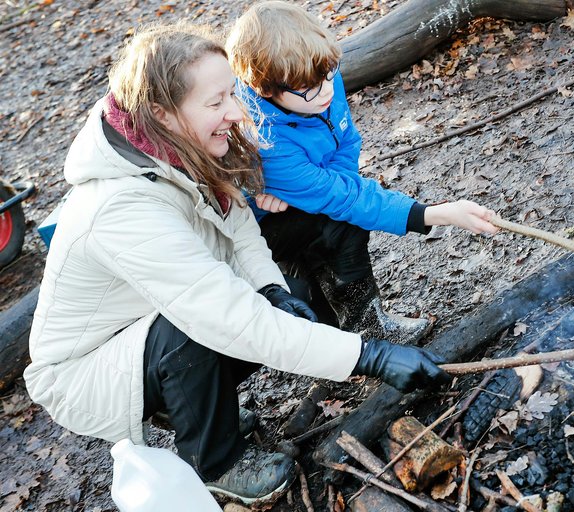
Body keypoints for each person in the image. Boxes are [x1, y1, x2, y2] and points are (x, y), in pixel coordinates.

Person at [23, 22, 449, 506]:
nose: (236, 111)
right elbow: (221, 316)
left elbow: (239, 223)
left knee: (288, 296)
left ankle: (195, 401)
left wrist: (271, 289)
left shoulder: (177, 147)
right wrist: (367, 357)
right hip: (88, 371)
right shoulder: (121, 208)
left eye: (233, 93)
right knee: (190, 331)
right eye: (217, 102)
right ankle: (216, 461)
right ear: (162, 113)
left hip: (151, 319)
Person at [225, 1, 499, 345]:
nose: (327, 90)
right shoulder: (268, 142)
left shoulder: (318, 76)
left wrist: (337, 180)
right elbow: (345, 198)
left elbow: (346, 140)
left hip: (302, 191)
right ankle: (350, 336)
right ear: (267, 90)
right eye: (310, 88)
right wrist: (434, 214)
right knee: (341, 224)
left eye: (329, 74)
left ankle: (359, 326)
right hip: (259, 228)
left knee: (339, 215)